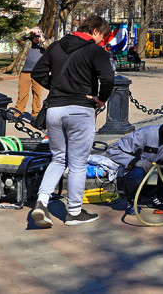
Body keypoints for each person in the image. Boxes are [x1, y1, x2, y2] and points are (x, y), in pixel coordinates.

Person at [30, 14, 115, 228]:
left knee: (58, 158)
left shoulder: (55, 46)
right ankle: (74, 212)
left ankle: (42, 201)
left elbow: (38, 72)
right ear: (95, 30)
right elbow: (108, 79)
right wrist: (101, 99)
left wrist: (58, 88)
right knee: (77, 163)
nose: (102, 41)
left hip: (54, 110)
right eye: (102, 36)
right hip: (80, 110)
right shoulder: (95, 50)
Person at [106, 108, 163, 211]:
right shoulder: (145, 134)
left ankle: (160, 199)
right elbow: (112, 150)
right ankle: (132, 200)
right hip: (134, 177)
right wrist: (135, 161)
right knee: (138, 172)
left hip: (156, 179)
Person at [14, 28, 46, 117]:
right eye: (34, 35)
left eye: (37, 35)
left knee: (37, 95)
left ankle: (35, 115)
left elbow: (51, 47)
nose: (36, 37)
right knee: (22, 94)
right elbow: (17, 38)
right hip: (25, 72)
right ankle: (17, 114)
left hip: (39, 73)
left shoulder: (45, 43)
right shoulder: (27, 43)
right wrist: (29, 31)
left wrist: (42, 39)